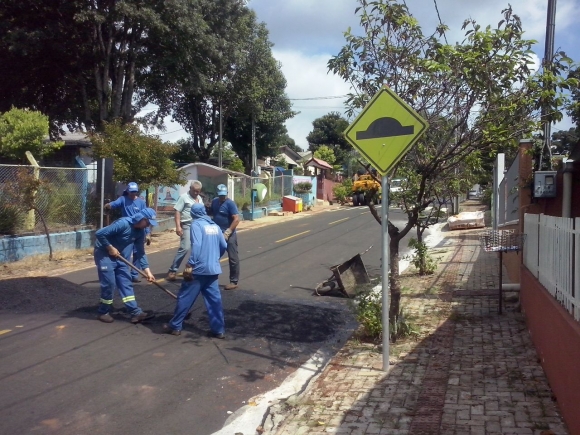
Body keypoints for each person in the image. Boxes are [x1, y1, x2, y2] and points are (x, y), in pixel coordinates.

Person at [163, 203, 227, 338]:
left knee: (185, 297)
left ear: (194, 214)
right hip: (213, 270)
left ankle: (175, 326)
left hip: (199, 270)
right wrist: (214, 258)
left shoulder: (196, 225)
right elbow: (223, 245)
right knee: (214, 301)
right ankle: (219, 330)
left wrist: (191, 264)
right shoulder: (215, 226)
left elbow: (196, 245)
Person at [94, 207, 158, 324]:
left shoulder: (140, 232)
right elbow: (99, 233)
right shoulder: (123, 224)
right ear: (142, 218)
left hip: (120, 257)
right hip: (104, 254)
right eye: (148, 222)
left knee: (126, 282)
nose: (148, 225)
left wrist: (147, 272)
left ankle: (135, 313)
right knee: (109, 283)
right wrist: (110, 247)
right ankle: (103, 312)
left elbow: (140, 252)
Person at [104, 182, 151, 283]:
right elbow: (114, 204)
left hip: (139, 230)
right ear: (127, 191)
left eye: (134, 192)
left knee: (138, 253)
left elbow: (146, 219)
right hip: (127, 230)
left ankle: (134, 274)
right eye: (131, 192)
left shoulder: (141, 202)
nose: (133, 194)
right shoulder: (123, 199)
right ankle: (123, 274)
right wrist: (109, 205)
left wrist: (147, 233)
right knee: (126, 253)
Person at [167, 180, 205, 281]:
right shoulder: (184, 197)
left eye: (198, 191)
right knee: (185, 248)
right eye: (195, 191)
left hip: (198, 227)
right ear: (190, 189)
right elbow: (177, 211)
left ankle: (190, 271)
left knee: (197, 248)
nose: (196, 193)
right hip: (187, 225)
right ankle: (172, 270)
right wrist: (178, 226)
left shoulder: (200, 199)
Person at [209, 183, 240, 290]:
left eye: (224, 194)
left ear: (226, 193)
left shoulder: (230, 204)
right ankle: (210, 278)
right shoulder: (215, 202)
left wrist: (227, 233)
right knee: (213, 256)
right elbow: (212, 213)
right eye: (220, 195)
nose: (223, 197)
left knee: (233, 258)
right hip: (217, 234)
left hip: (229, 235)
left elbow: (236, 219)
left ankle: (234, 281)